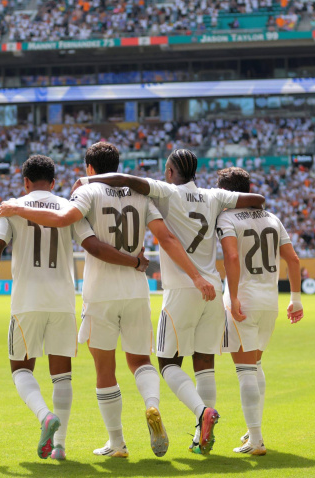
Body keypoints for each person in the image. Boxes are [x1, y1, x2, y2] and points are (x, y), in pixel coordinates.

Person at [0, 142, 213, 458]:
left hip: (100, 293)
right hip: (137, 290)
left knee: (105, 368)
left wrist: (18, 208)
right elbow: (165, 237)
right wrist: (186, 273)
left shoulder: (87, 191)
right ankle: (152, 406)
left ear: (89, 168)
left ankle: (117, 443)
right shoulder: (141, 195)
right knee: (141, 361)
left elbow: (67, 221)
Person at [58, 149, 266, 455]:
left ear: (169, 172)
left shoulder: (163, 191)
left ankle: (195, 414)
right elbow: (257, 200)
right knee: (203, 364)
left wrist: (85, 179)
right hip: (208, 287)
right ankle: (199, 436)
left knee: (165, 363)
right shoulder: (213, 196)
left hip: (176, 288)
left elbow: (126, 187)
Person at [0, 155, 147, 461]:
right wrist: (136, 261)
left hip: (26, 301)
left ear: (26, 181)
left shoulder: (11, 206)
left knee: (20, 369)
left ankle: (44, 415)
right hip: (62, 301)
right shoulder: (68, 206)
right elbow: (93, 245)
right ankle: (59, 446)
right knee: (62, 376)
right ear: (53, 182)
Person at [215, 167, 303, 455]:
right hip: (270, 302)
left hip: (243, 301)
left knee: (244, 371)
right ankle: (253, 431)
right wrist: (297, 299)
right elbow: (293, 259)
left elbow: (231, 256)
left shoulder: (227, 217)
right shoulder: (272, 217)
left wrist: (235, 297)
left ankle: (256, 440)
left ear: (226, 193)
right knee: (256, 367)